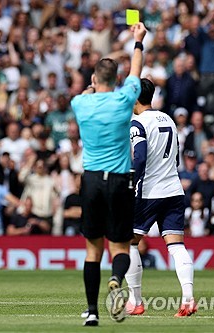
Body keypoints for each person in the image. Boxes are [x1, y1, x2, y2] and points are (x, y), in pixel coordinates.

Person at [71, 22, 147, 326]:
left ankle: (92, 311)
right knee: (121, 246)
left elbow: (88, 91)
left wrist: (92, 84)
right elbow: (136, 72)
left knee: (92, 249)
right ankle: (116, 278)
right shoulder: (124, 98)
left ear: (92, 79)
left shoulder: (80, 103)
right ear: (116, 80)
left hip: (91, 180)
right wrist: (137, 41)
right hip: (119, 180)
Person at [127, 78, 197, 317]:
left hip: (148, 193)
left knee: (128, 243)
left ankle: (135, 301)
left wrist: (133, 182)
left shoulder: (137, 123)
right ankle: (188, 298)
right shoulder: (167, 118)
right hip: (174, 190)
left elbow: (141, 157)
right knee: (177, 246)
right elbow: (176, 157)